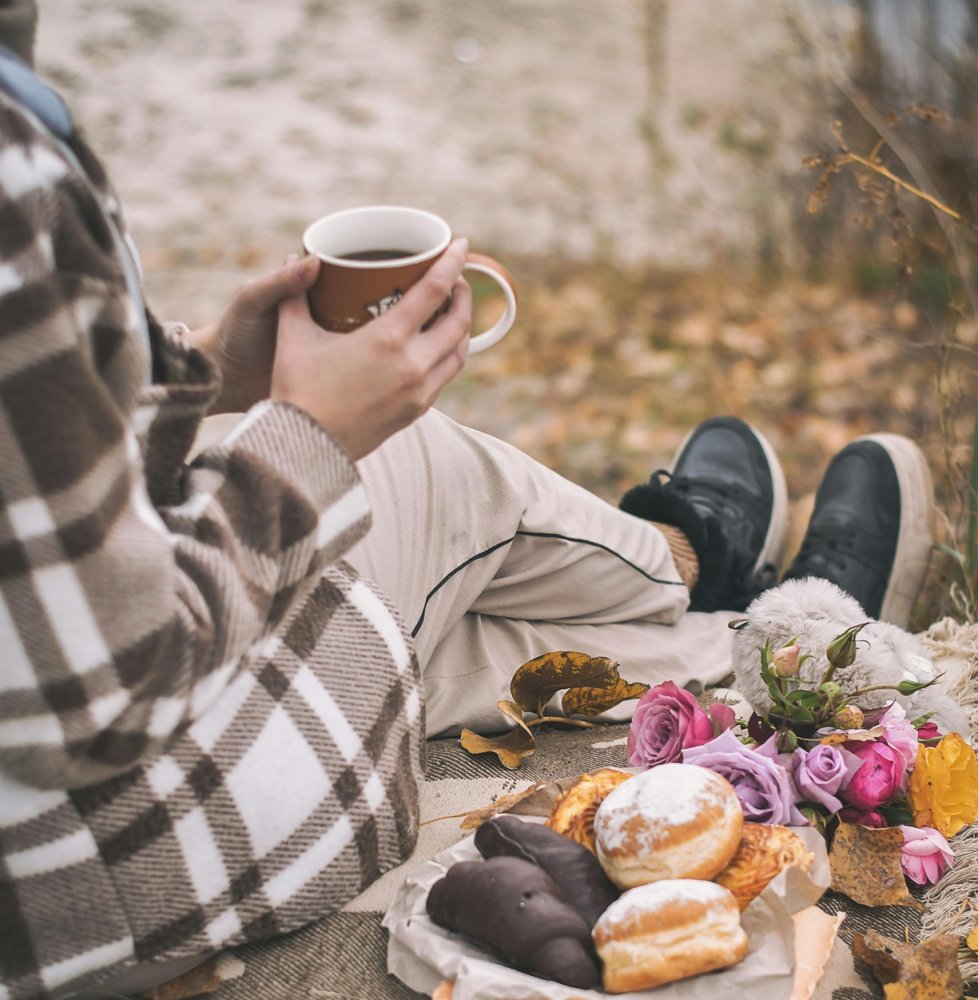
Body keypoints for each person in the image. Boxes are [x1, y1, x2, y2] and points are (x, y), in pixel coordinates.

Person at [0, 4, 934, 998]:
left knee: (453, 621)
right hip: (103, 864)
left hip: (53, 816)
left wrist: (183, 376)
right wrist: (308, 434)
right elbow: (99, 694)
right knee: (407, 463)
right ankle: (719, 575)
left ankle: (757, 629)